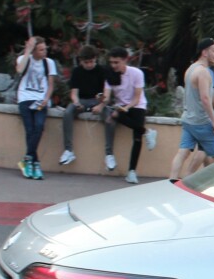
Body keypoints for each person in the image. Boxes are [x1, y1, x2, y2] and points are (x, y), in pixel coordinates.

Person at [170, 38, 214, 182]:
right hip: (202, 122)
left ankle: (172, 181)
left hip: (188, 120)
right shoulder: (203, 72)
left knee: (182, 152)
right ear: (204, 52)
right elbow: (205, 98)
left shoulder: (190, 69)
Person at [102, 46, 148, 184]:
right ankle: (148, 132)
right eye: (111, 62)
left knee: (137, 136)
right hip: (120, 107)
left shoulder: (137, 73)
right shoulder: (109, 75)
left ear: (124, 61)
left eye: (116, 62)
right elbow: (106, 96)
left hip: (137, 105)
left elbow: (137, 97)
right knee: (115, 115)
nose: (113, 65)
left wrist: (126, 108)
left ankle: (132, 171)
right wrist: (102, 99)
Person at [15, 35, 57, 179]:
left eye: (45, 49)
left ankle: (26, 159)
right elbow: (19, 70)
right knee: (30, 129)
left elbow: (51, 84)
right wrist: (27, 51)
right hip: (25, 98)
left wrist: (46, 99)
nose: (44, 52)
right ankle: (35, 163)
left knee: (39, 126)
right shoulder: (24, 59)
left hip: (40, 100)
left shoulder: (49, 63)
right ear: (34, 50)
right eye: (40, 50)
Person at [59, 45, 108, 166]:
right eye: (86, 62)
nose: (89, 65)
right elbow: (74, 93)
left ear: (95, 59)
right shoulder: (77, 71)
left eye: (92, 62)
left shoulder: (102, 70)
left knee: (109, 117)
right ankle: (68, 150)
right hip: (82, 100)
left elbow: (106, 94)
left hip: (97, 100)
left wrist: (101, 104)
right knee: (67, 113)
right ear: (81, 61)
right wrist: (76, 103)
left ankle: (109, 154)